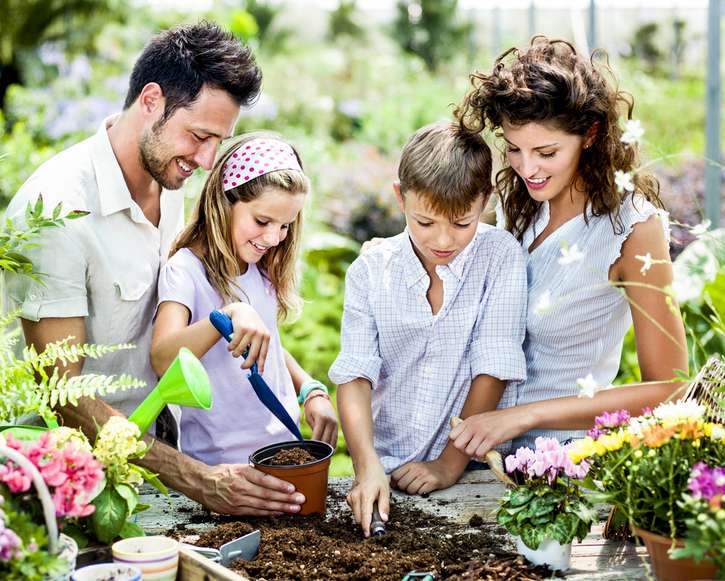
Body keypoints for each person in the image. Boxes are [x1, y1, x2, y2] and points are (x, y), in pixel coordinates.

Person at [4, 22, 306, 516]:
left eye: (219, 141)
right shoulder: (57, 211)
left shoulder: (171, 181)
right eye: (200, 135)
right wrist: (198, 479)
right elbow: (61, 395)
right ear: (151, 100)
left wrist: (300, 381)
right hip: (73, 482)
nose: (209, 160)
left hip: (162, 451)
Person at [448, 37, 688, 457]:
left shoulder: (631, 227)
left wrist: (527, 415)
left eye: (547, 152)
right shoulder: (517, 203)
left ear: (591, 135)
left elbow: (671, 390)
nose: (527, 168)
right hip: (477, 452)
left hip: (562, 463)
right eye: (514, 149)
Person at [330, 121, 528, 536]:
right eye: (425, 222)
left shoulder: (499, 257)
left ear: (484, 200)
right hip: (386, 461)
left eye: (461, 223)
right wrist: (368, 468)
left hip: (473, 466)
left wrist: (448, 464)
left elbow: (492, 366)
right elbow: (355, 375)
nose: (443, 240)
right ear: (400, 198)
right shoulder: (371, 271)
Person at [150, 133, 338, 470]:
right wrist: (227, 315)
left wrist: (310, 389)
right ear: (225, 202)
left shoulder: (259, 268)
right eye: (263, 221)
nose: (273, 237)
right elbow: (163, 359)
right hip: (222, 467)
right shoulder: (187, 271)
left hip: (283, 451)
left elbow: (268, 348)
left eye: (285, 226)